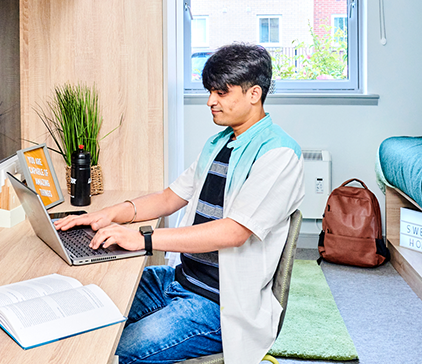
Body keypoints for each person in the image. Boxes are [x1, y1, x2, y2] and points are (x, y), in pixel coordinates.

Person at [55, 42, 304, 364]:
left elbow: (234, 232)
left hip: (219, 303)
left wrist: (143, 238)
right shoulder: (220, 143)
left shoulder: (278, 154)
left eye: (222, 93)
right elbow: (168, 198)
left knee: (112, 351)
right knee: (88, 306)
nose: (211, 101)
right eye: (210, 91)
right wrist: (106, 215)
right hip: (179, 279)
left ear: (253, 94)